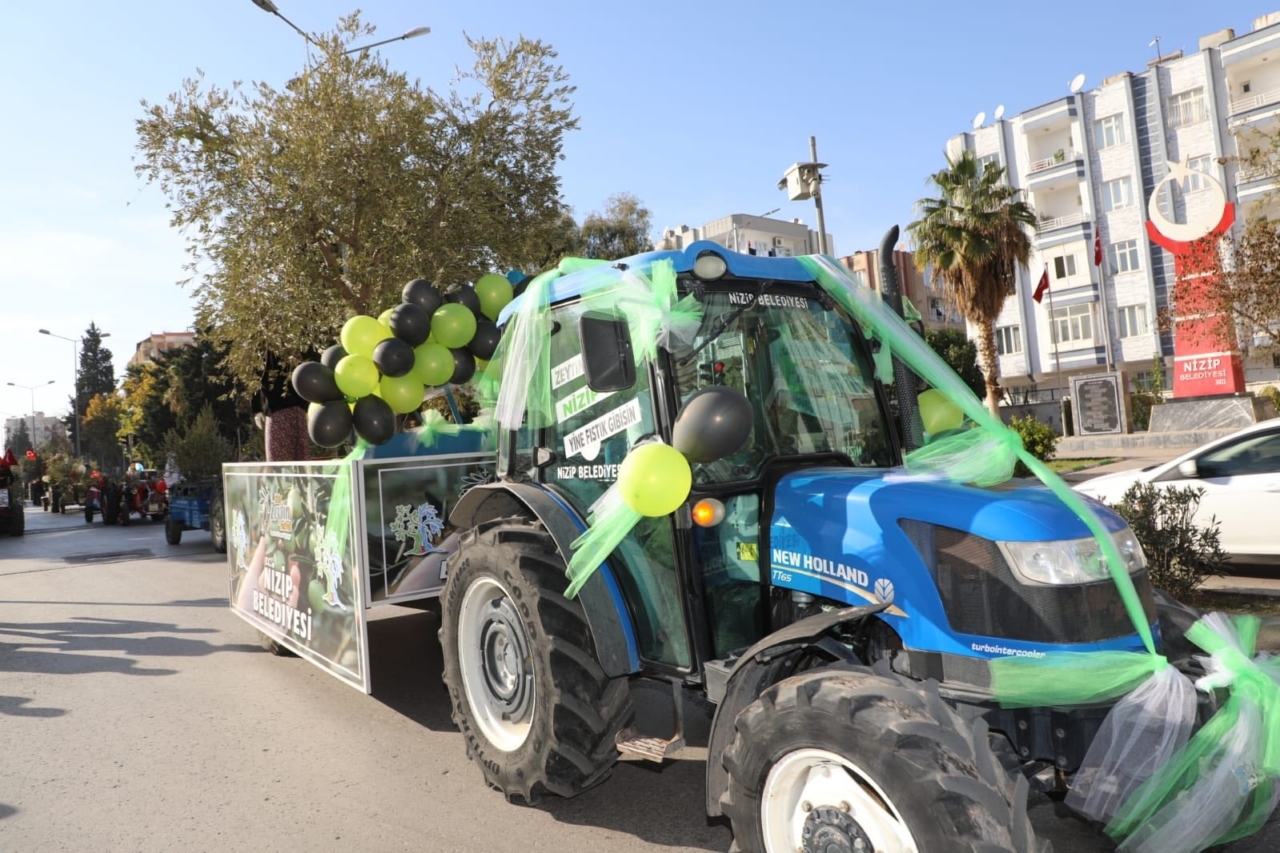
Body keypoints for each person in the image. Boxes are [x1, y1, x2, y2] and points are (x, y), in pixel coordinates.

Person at [258, 354, 312, 463]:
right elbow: (255, 377)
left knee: (301, 461)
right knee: (279, 464)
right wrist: (257, 409)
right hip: (277, 409)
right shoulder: (265, 346)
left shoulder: (297, 344)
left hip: (298, 408)